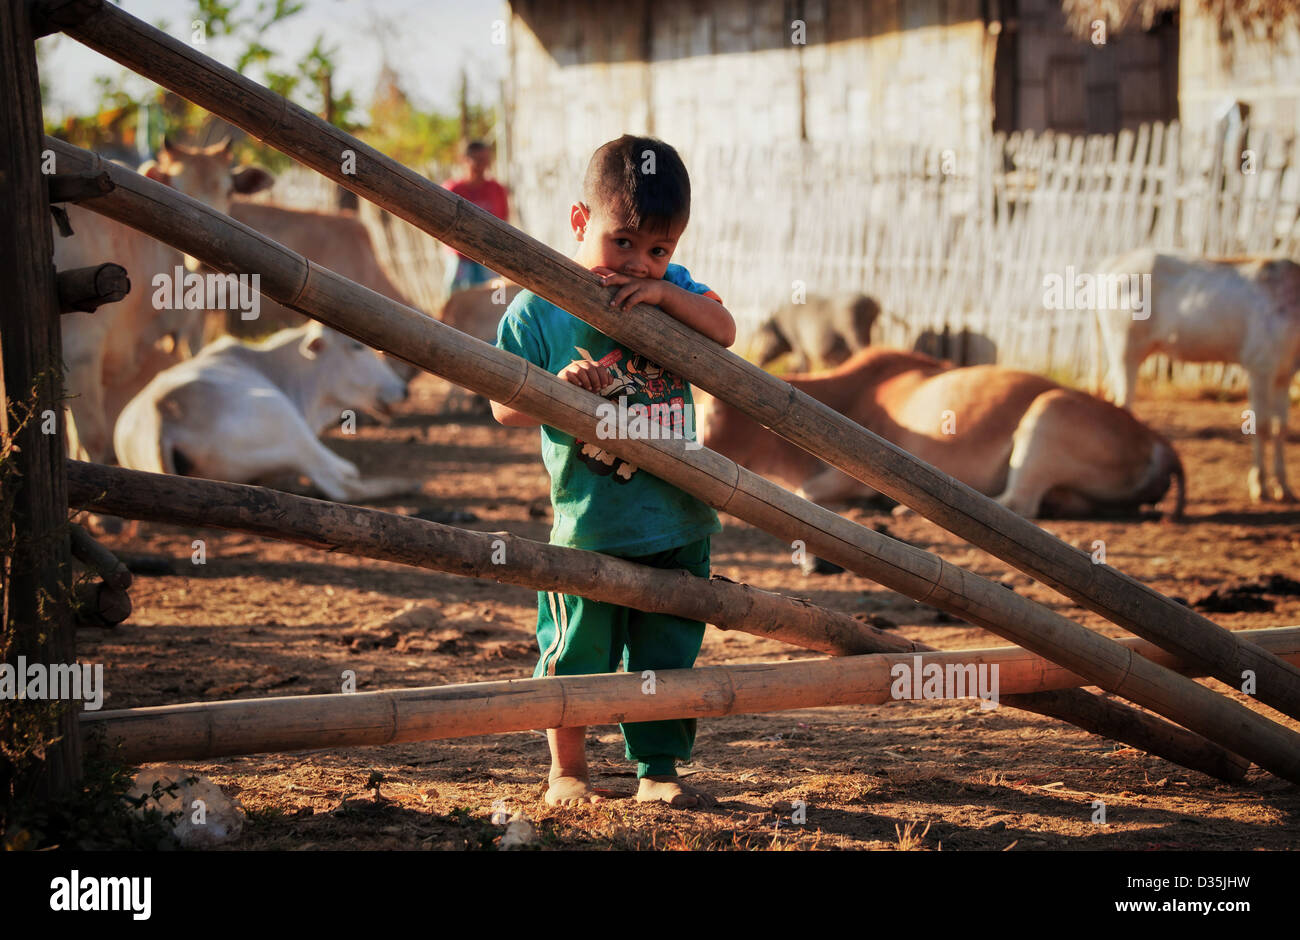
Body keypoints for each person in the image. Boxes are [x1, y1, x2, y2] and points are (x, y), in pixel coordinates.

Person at [492, 135, 735, 808]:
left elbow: (725, 328)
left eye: (658, 250)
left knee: (667, 654)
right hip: (592, 522)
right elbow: (501, 405)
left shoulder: (676, 291)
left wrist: (664, 295)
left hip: (678, 515)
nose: (638, 264)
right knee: (575, 653)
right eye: (621, 243)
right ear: (579, 223)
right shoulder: (537, 306)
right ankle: (567, 773)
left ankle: (657, 771)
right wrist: (560, 390)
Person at [443, 140, 510, 294]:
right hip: (461, 258)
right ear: (464, 160)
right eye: (477, 160)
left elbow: (503, 221)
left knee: (494, 301)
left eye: (485, 160)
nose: (482, 165)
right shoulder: (453, 189)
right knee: (456, 302)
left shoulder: (496, 189)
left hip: (489, 258)